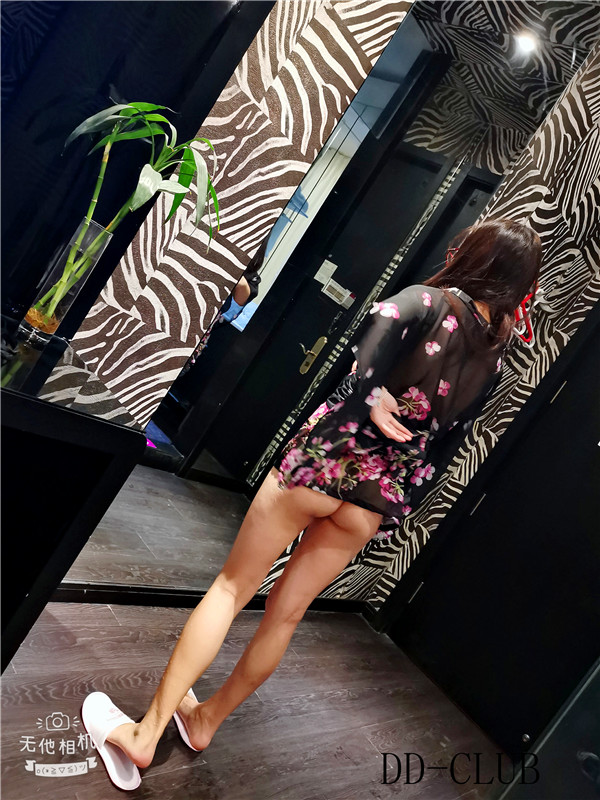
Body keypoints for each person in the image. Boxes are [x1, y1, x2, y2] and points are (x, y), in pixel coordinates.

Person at [81, 217, 542, 790]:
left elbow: (380, 322)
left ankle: (146, 734)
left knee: (231, 589)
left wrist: (370, 394)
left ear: (474, 255)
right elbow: (444, 444)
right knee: (286, 615)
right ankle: (204, 722)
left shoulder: (429, 301)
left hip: (323, 465)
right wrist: (395, 493)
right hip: (373, 498)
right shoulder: (492, 354)